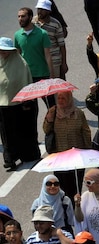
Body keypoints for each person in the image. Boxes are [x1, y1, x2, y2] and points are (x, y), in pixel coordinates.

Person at [0, 37, 40, 170]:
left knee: (23, 130)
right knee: (7, 134)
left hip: (19, 104)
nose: (3, 53)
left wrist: (27, 101)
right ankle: (10, 159)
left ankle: (28, 155)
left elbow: (26, 82)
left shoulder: (21, 64)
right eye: (1, 50)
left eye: (5, 51)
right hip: (3, 106)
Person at [43, 91, 92, 197]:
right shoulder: (53, 111)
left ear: (69, 99)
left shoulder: (78, 113)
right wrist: (49, 120)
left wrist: (88, 151)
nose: (60, 101)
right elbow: (46, 130)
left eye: (63, 98)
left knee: (75, 187)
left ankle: (75, 209)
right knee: (61, 187)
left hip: (76, 157)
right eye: (59, 98)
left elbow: (86, 131)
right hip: (60, 156)